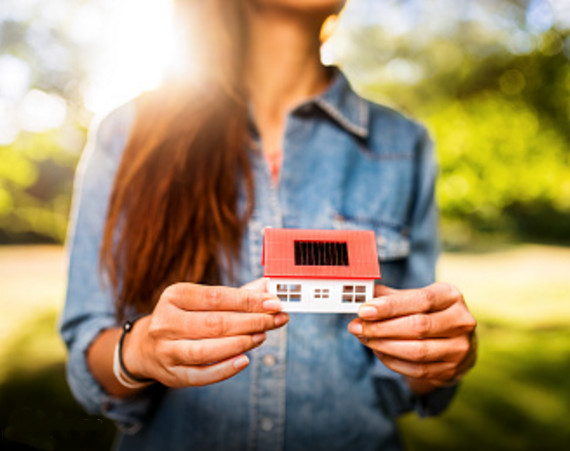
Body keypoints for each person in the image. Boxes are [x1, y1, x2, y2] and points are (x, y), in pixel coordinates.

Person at [59, 0, 477, 448]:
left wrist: (439, 354)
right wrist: (140, 350)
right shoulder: (128, 134)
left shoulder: (403, 144)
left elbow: (403, 379)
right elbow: (88, 350)